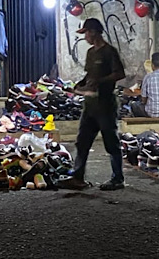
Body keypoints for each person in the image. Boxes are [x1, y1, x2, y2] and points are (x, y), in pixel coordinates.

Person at [58, 18, 126, 191]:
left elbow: (119, 74)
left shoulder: (109, 52)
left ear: (94, 32)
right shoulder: (90, 53)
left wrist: (100, 81)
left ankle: (117, 178)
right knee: (82, 140)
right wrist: (80, 84)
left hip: (105, 103)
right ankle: (78, 176)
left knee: (111, 141)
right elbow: (89, 75)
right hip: (90, 105)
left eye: (86, 33)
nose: (85, 37)